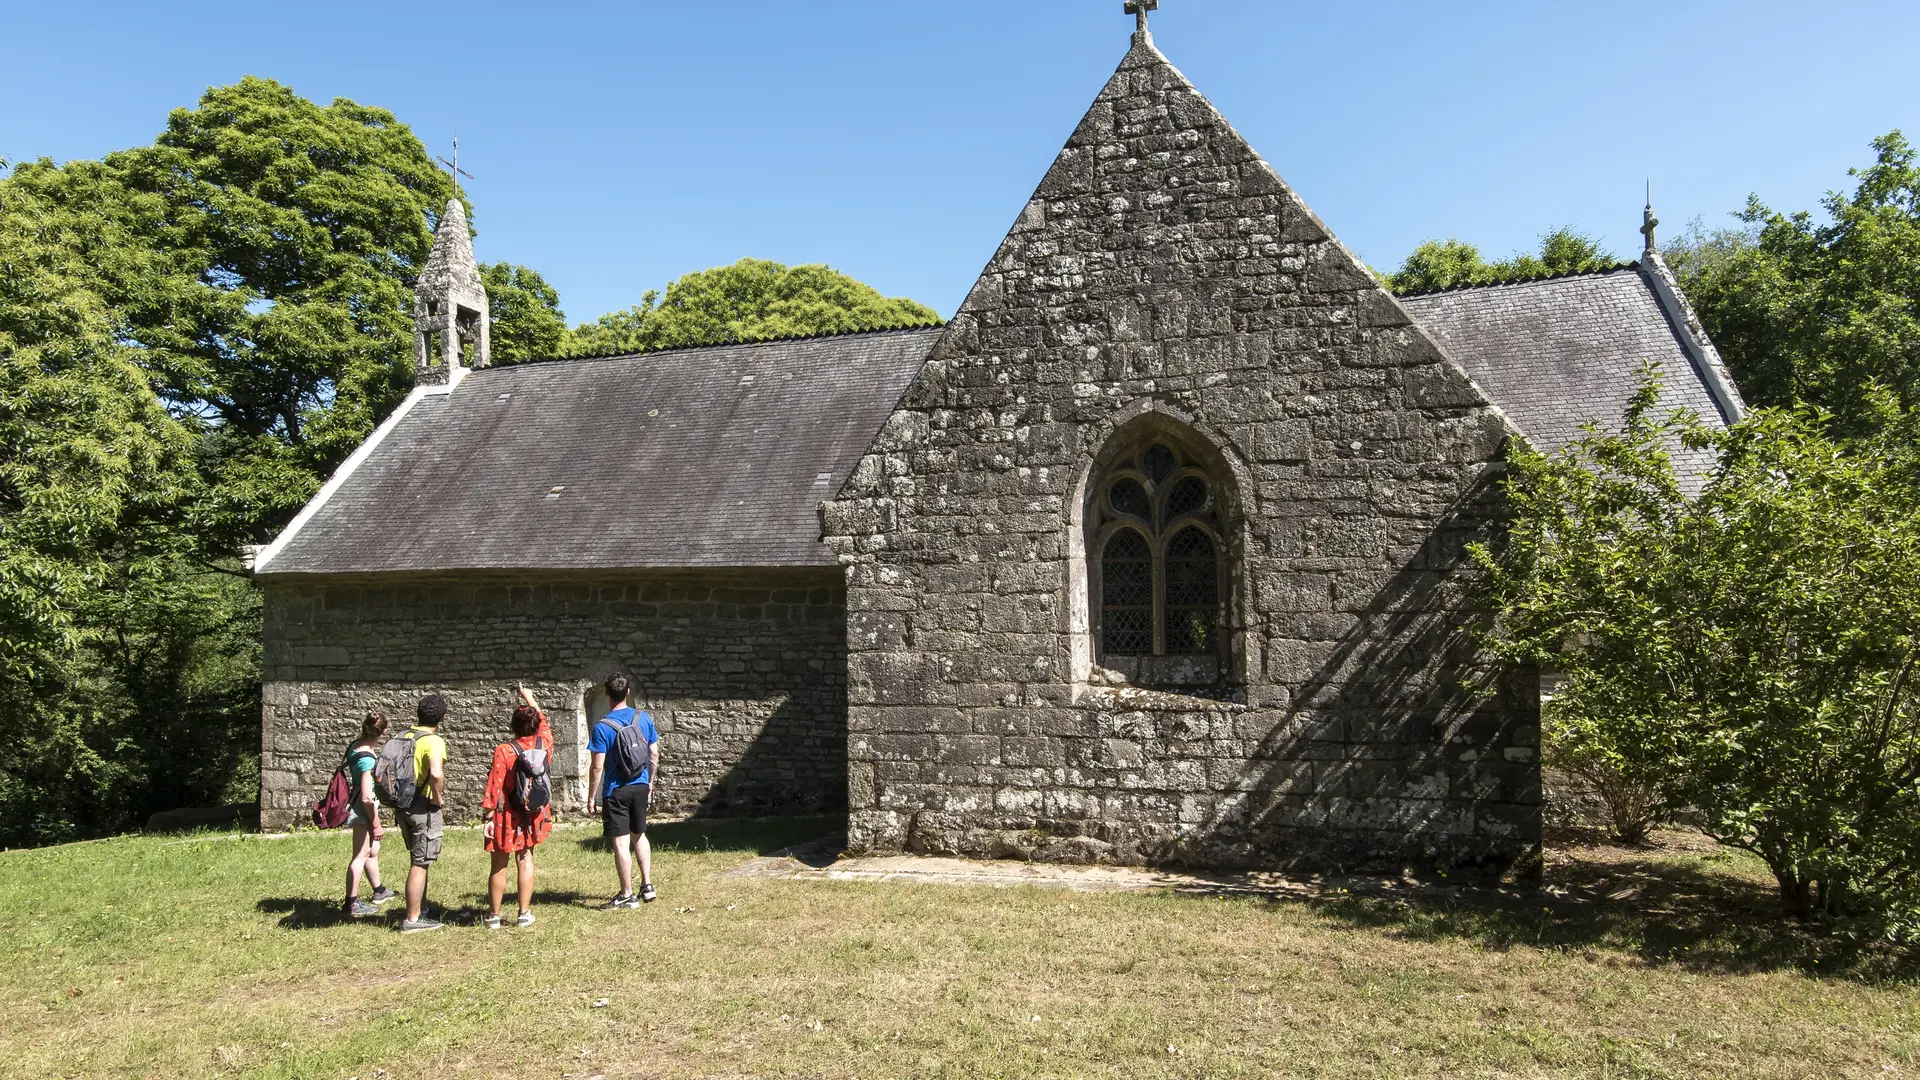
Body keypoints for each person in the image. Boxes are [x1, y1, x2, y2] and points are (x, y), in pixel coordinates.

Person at [480, 685, 554, 929]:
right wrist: (530, 698)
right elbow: (544, 722)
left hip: (506, 814)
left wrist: (487, 816)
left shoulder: (504, 751)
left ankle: (494, 916)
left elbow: (494, 786)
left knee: (499, 864)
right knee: (526, 859)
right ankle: (524, 913)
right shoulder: (545, 744)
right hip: (532, 812)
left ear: (513, 726)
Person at [585, 673, 660, 908]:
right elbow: (654, 754)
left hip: (616, 790)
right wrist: (650, 781)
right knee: (639, 834)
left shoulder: (602, 727)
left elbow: (597, 767)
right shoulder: (643, 718)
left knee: (620, 841)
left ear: (607, 694)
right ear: (628, 692)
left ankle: (627, 894)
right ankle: (647, 885)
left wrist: (591, 796)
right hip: (640, 786)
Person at [399, 694, 449, 933]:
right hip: (423, 806)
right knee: (420, 863)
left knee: (418, 858)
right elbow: (436, 774)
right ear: (442, 717)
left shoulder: (403, 736)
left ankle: (422, 908)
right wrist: (438, 799)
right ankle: (412, 919)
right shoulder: (433, 741)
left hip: (403, 805)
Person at [342, 712, 399, 918]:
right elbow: (367, 797)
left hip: (360, 805)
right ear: (383, 732)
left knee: (372, 850)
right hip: (363, 809)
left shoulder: (355, 745)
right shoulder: (367, 759)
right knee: (360, 856)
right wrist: (376, 824)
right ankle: (351, 903)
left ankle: (379, 891)